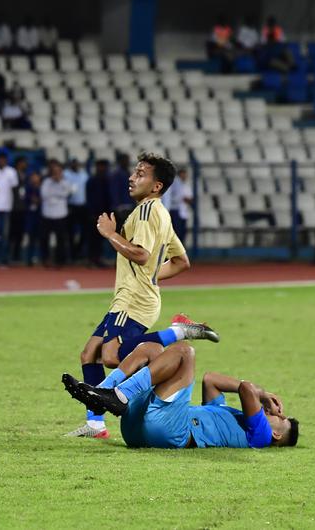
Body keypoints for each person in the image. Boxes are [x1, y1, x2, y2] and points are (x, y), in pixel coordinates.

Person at [67, 153, 217, 439]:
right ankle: (96, 425)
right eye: (134, 172)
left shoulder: (148, 211)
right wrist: (150, 277)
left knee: (111, 356)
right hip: (136, 295)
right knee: (90, 354)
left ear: (156, 185)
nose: (132, 177)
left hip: (133, 300)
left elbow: (141, 254)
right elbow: (181, 262)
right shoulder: (160, 213)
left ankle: (177, 333)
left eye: (140, 173)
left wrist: (110, 234)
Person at [63, 342, 298, 449]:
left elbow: (245, 388)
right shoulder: (231, 417)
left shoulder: (262, 437)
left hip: (172, 432)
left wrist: (263, 394)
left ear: (277, 434)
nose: (274, 412)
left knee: (186, 351)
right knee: (151, 349)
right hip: (137, 431)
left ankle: (117, 396)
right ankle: (101, 395)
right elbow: (210, 379)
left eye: (280, 417)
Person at [39, 161, 72, 267]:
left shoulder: (65, 182)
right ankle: (45, 259)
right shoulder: (46, 182)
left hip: (60, 214)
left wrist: (57, 190)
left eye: (58, 171)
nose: (56, 173)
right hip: (47, 214)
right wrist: (58, 194)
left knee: (61, 239)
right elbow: (44, 195)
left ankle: (60, 261)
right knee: (44, 238)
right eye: (54, 171)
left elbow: (66, 194)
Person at [84, 159, 112, 266]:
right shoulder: (92, 180)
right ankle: (91, 259)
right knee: (92, 238)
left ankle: (98, 258)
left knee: (101, 238)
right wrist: (91, 212)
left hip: (104, 213)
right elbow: (89, 198)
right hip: (93, 214)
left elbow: (108, 198)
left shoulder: (107, 180)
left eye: (104, 166)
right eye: (101, 166)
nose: (103, 168)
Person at [65, 158, 89, 258]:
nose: (75, 165)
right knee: (70, 231)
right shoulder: (66, 174)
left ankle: (79, 249)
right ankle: (72, 252)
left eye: (77, 163)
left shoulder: (84, 175)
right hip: (70, 205)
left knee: (84, 230)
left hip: (82, 206)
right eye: (73, 163)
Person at [9, 158, 31, 263]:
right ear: (18, 164)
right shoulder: (12, 175)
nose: (25, 165)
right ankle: (9, 255)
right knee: (12, 232)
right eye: (23, 163)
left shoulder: (26, 176)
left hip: (23, 208)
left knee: (20, 233)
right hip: (13, 208)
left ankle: (17, 255)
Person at [165, 167, 190, 241]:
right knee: (177, 231)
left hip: (177, 209)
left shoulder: (179, 183)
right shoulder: (175, 182)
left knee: (179, 231)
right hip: (174, 209)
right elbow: (174, 196)